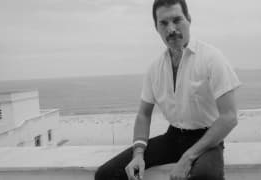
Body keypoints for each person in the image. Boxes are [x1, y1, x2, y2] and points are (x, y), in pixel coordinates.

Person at [95, 0, 241, 179]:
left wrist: (188, 157)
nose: (171, 29)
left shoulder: (212, 58)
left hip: (207, 139)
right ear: (156, 28)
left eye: (177, 20)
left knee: (205, 177)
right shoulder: (155, 68)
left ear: (188, 19)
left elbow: (229, 117)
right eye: (163, 23)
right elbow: (144, 114)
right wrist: (138, 154)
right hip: (172, 137)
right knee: (106, 174)